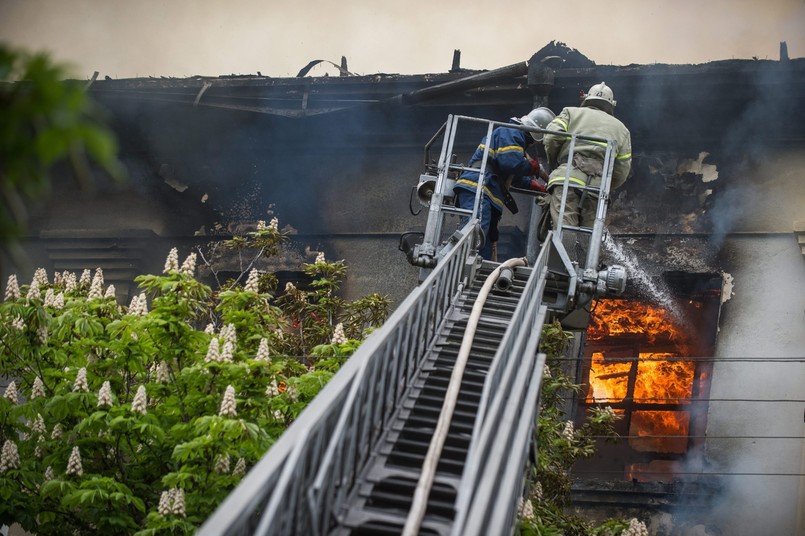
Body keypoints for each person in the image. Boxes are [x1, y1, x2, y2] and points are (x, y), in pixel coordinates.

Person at [453, 107, 555, 260]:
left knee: (484, 245)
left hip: (489, 193)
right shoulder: (511, 131)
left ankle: (478, 276)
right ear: (535, 132)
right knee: (474, 237)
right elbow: (510, 162)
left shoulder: (514, 140)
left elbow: (513, 175)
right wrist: (533, 167)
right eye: (535, 141)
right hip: (479, 187)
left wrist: (537, 186)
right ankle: (460, 268)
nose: (533, 144)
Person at [542, 82, 632, 229]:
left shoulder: (570, 112)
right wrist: (604, 182)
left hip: (566, 179)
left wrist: (556, 166)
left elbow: (551, 138)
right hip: (597, 189)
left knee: (565, 233)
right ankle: (579, 251)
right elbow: (622, 171)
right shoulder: (622, 130)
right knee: (587, 241)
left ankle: (566, 250)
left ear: (586, 98)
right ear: (611, 105)